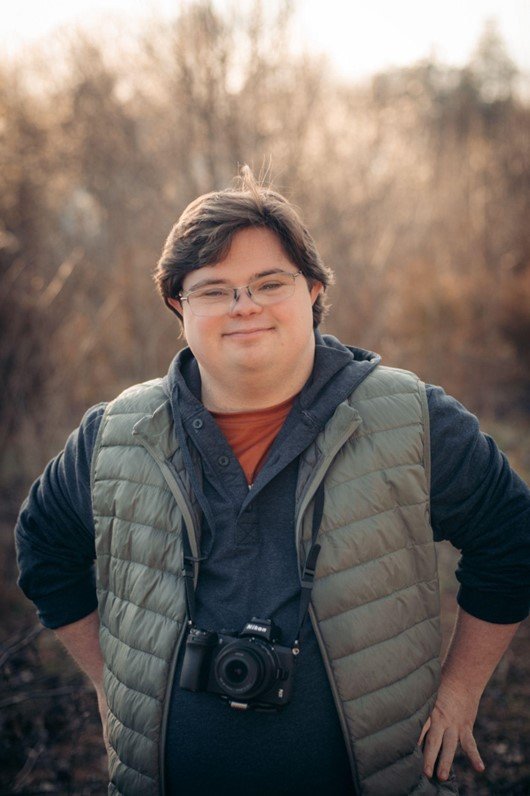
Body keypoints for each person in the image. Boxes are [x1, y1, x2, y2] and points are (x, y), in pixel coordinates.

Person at [15, 167, 530, 796]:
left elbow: (512, 537)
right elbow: (43, 548)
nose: (244, 306)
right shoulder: (114, 435)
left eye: (268, 282)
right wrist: (107, 681)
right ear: (179, 306)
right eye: (213, 289)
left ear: (313, 290)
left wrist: (461, 690)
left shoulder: (411, 419)